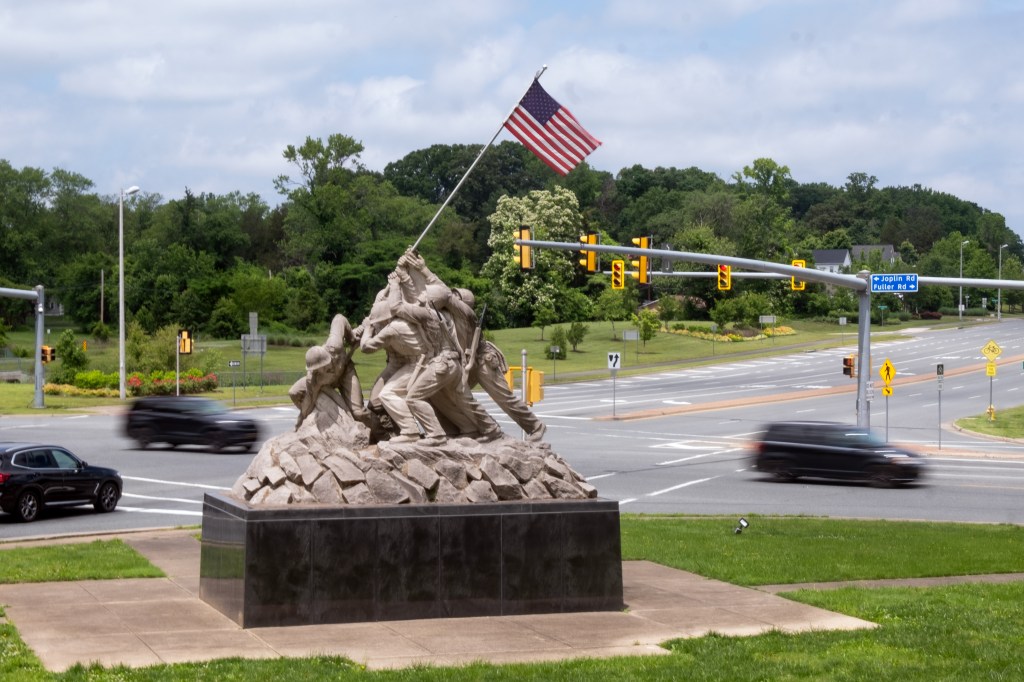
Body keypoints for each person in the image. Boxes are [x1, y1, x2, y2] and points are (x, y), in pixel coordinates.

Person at [288, 313, 368, 430]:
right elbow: (310, 400)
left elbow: (339, 318)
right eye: (313, 370)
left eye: (317, 369)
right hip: (329, 384)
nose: (315, 371)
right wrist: (301, 420)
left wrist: (351, 338)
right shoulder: (314, 378)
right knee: (294, 392)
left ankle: (382, 434)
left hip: (346, 373)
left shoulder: (334, 344)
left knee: (358, 412)